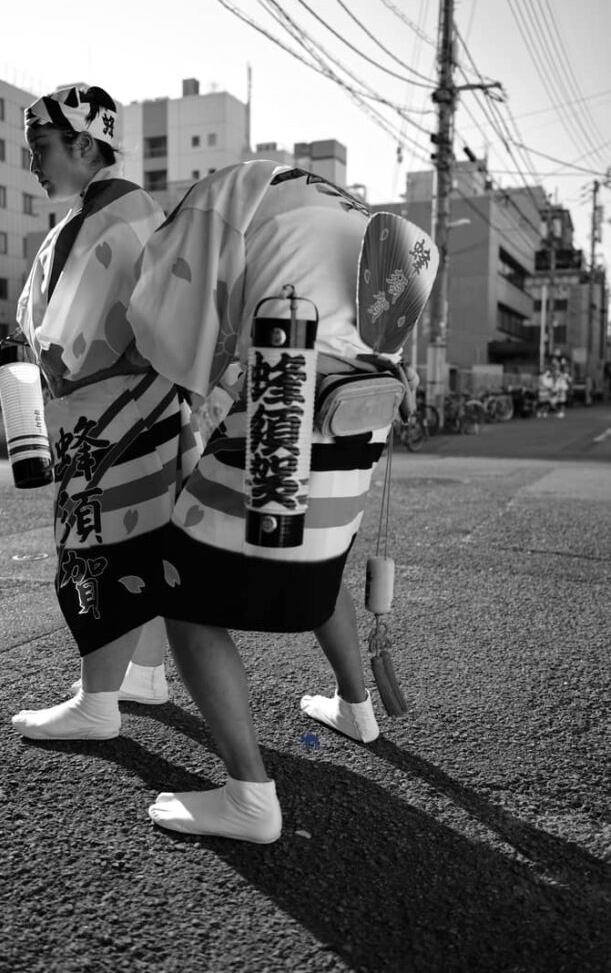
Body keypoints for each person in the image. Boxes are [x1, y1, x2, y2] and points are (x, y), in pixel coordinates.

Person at [126, 161, 437, 843]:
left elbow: (164, 310)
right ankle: (357, 709)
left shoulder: (234, 194)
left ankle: (248, 797)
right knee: (323, 566)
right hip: (362, 413)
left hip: (286, 398)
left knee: (185, 591)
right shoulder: (358, 213)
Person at [11, 85, 200, 740]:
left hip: (104, 420)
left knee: (96, 554)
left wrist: (22, 366)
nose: (32, 162)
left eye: (42, 147)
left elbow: (67, 345)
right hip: (152, 414)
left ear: (85, 145)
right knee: (142, 553)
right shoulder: (139, 212)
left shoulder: (103, 221)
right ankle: (141, 673)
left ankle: (97, 705)